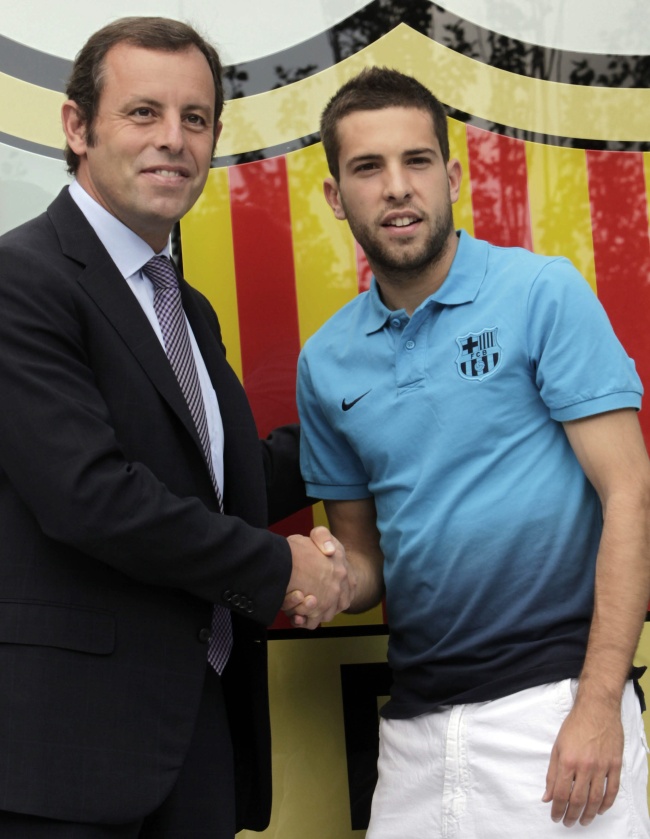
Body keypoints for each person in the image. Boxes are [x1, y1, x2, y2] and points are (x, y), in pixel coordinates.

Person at [0, 16, 352, 839]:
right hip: (67, 761)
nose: (173, 139)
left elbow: (219, 487)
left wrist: (370, 426)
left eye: (195, 118)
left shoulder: (185, 306)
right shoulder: (21, 280)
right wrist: (281, 565)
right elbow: (90, 496)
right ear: (77, 126)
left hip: (193, 743)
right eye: (143, 112)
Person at [293, 66, 650, 837]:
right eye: (368, 167)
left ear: (452, 177)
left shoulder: (541, 292)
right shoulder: (324, 362)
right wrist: (328, 578)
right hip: (414, 729)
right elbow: (366, 562)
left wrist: (599, 702)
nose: (397, 187)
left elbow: (631, 493)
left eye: (417, 161)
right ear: (335, 196)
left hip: (555, 710)